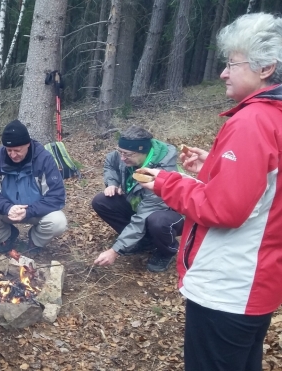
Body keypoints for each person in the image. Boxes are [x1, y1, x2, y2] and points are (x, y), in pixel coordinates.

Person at [139, 13, 282, 371]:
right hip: (259, 282)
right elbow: (265, 190)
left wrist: (165, 182)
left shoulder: (252, 121)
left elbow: (224, 210)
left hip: (229, 287)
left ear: (266, 68)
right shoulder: (274, 118)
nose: (223, 73)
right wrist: (214, 168)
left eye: (232, 64)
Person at [91, 126, 184, 272]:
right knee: (101, 201)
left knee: (157, 221)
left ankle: (166, 251)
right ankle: (143, 242)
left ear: (144, 151)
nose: (122, 158)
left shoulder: (161, 172)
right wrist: (112, 183)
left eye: (127, 154)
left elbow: (143, 216)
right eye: (120, 152)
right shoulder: (125, 155)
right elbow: (110, 162)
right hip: (139, 204)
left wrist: (115, 250)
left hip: (172, 214)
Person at [0, 119, 67, 253]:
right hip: (7, 210)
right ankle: (6, 236)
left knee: (58, 222)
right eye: (9, 150)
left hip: (35, 211)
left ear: (28, 144)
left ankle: (35, 241)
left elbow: (56, 196)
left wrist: (28, 211)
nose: (13, 155)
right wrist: (7, 207)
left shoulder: (44, 159)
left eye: (17, 150)